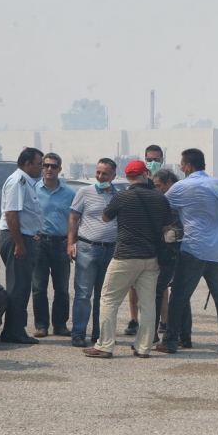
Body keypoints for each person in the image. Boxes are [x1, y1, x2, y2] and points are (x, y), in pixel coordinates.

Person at [82, 161, 171, 358]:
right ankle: (143, 347)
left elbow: (106, 217)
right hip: (151, 257)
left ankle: (105, 346)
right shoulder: (159, 197)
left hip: (125, 255)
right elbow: (167, 226)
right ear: (146, 174)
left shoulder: (122, 196)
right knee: (148, 304)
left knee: (109, 299)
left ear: (127, 177)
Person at [157, 148, 218, 356]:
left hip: (193, 250)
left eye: (181, 165)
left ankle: (171, 341)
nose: (181, 168)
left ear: (187, 166)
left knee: (179, 297)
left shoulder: (181, 187)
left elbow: (160, 208)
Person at [68, 158, 119, 347]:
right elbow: (73, 218)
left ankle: (99, 335)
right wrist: (70, 244)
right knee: (83, 293)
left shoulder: (118, 196)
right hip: (87, 248)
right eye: (98, 172)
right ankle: (78, 334)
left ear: (113, 176)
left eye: (105, 173)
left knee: (104, 295)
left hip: (111, 250)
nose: (100, 176)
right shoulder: (84, 192)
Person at [0, 147, 44, 344]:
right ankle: (13, 331)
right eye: (39, 164)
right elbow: (11, 214)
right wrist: (19, 244)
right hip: (16, 238)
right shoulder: (18, 181)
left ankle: (15, 328)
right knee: (18, 286)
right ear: (28, 164)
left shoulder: (27, 182)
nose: (42, 168)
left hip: (24, 237)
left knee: (22, 285)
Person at [122, 145, 165, 338]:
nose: (153, 162)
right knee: (133, 285)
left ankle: (164, 320)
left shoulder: (166, 180)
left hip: (160, 242)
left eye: (156, 159)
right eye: (149, 159)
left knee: (162, 285)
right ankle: (134, 319)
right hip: (138, 242)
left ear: (162, 160)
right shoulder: (138, 181)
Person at [32, 152, 76, 338]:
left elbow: (75, 219)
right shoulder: (33, 189)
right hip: (39, 243)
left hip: (61, 244)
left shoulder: (69, 194)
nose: (49, 169)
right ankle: (41, 325)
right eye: (46, 165)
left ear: (59, 169)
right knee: (39, 288)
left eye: (54, 166)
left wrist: (72, 241)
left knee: (62, 289)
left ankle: (60, 325)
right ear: (42, 167)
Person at [151, 169, 191, 346]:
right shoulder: (186, 194)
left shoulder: (169, 199)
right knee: (181, 292)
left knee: (158, 290)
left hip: (170, 249)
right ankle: (185, 336)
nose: (156, 189)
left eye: (158, 185)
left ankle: (151, 334)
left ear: (168, 182)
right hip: (185, 248)